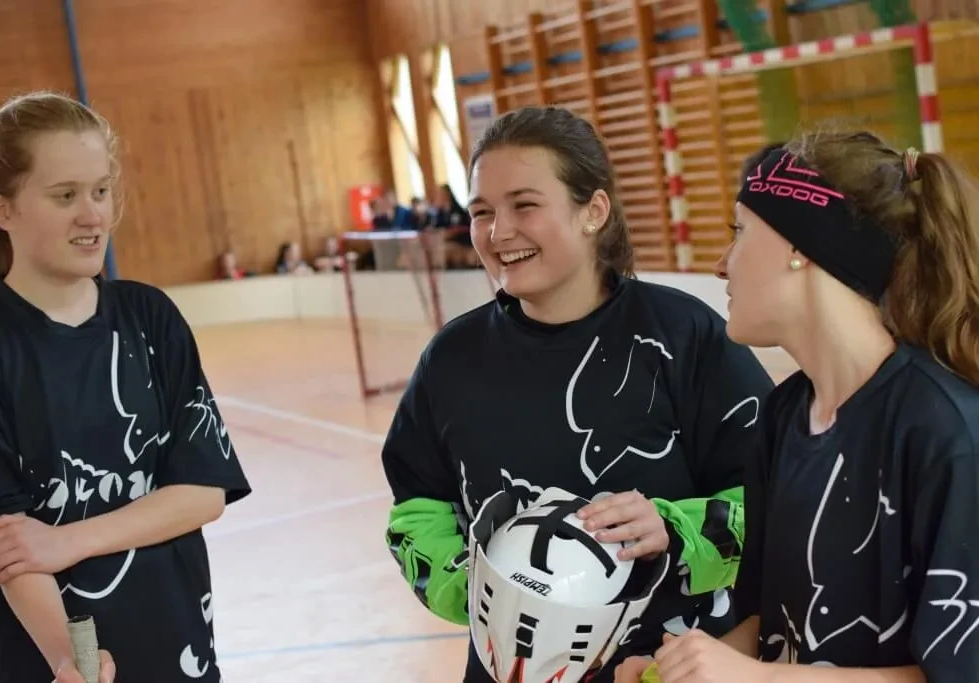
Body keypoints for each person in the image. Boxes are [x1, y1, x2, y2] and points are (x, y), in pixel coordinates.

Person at [380, 105, 775, 682]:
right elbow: (415, 510)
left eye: (524, 205)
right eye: (482, 212)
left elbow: (773, 502)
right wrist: (473, 583)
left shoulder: (684, 336)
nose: (498, 232)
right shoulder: (451, 360)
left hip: (669, 669)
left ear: (594, 211)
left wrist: (673, 531)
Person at [615, 129, 979, 682]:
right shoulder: (784, 414)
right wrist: (679, 673)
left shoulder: (946, 433)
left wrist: (755, 679)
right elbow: (771, 626)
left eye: (739, 232)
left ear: (799, 247)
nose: (721, 264)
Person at [0, 91, 252, 682]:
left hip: (178, 647)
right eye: (65, 196)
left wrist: (68, 541)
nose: (92, 215)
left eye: (100, 191)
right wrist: (69, 660)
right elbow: (12, 546)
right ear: (2, 209)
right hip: (48, 658)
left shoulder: (150, 318)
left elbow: (203, 493)